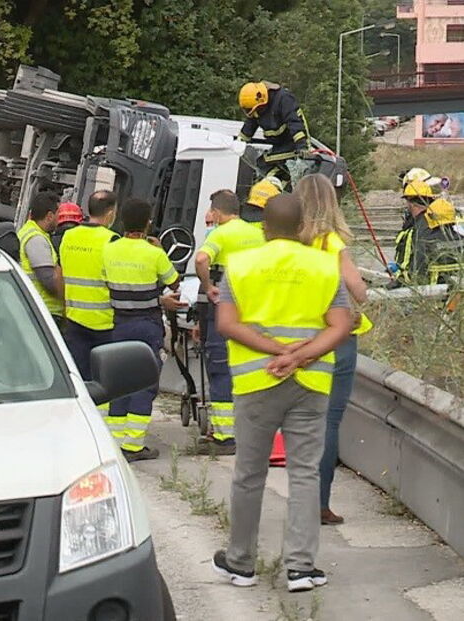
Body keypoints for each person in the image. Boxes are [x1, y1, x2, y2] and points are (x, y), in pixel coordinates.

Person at [211, 193, 353, 593]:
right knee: (305, 473)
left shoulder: (240, 266)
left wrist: (277, 351)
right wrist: (300, 355)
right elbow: (340, 325)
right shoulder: (325, 267)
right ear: (302, 227)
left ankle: (240, 563)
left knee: (248, 474)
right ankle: (301, 568)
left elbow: (226, 323)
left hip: (256, 383)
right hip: (309, 384)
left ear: (264, 228)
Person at [296, 174, 371, 526]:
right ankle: (319, 504)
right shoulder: (330, 243)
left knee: (300, 421)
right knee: (328, 423)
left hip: (298, 339)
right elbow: (358, 290)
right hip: (335, 339)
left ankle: (299, 498)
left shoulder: (289, 241)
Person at [103, 198, 186, 462]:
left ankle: (115, 443)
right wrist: (159, 249)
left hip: (118, 324)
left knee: (118, 383)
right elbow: (174, 283)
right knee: (144, 383)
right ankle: (134, 445)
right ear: (148, 223)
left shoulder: (110, 250)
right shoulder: (154, 254)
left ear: (121, 221)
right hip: (147, 325)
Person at [193, 190, 266, 455]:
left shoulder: (220, 234)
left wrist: (208, 285)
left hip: (226, 309)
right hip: (255, 311)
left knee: (221, 367)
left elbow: (201, 259)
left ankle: (224, 437)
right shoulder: (259, 235)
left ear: (217, 211)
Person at [59, 191, 119, 380]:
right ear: (110, 214)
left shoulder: (68, 236)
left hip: (74, 318)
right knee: (104, 380)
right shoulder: (112, 240)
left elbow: (60, 273)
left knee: (78, 378)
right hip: (104, 322)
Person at [238, 81, 310, 187]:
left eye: (257, 109)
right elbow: (248, 127)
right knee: (265, 164)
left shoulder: (284, 100)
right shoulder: (257, 108)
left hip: (294, 144)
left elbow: (295, 124)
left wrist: (302, 148)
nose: (256, 114)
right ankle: (281, 187)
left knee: (265, 162)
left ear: (262, 101)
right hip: (279, 146)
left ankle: (284, 188)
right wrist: (238, 144)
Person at [393, 180, 463, 284]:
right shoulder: (450, 222)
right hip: (456, 285)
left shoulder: (418, 230)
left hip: (432, 290)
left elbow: (415, 272)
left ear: (411, 203)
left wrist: (398, 281)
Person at [18, 192, 64, 326]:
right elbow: (49, 281)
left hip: (35, 308)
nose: (59, 219)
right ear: (49, 216)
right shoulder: (36, 239)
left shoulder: (28, 231)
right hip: (43, 311)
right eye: (58, 215)